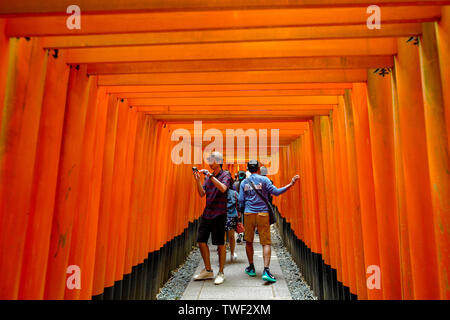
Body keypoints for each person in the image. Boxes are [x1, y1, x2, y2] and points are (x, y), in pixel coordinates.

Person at [239, 159, 299, 283]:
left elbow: (240, 200)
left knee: (249, 241)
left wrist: (240, 215)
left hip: (249, 213)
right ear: (258, 168)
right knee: (265, 242)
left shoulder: (244, 182)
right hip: (262, 213)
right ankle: (266, 270)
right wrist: (291, 184)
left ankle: (251, 267)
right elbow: (276, 192)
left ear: (248, 169)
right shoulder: (264, 180)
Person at [192, 151, 232, 285]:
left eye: (212, 158)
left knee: (220, 243)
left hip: (220, 213)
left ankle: (221, 272)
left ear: (219, 161)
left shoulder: (226, 174)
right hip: (207, 213)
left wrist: (210, 176)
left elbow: (223, 188)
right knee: (201, 241)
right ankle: (208, 270)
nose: (209, 160)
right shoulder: (207, 177)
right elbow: (202, 194)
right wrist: (198, 180)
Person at [225, 178, 239, 262]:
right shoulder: (234, 193)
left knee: (222, 238)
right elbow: (239, 203)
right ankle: (232, 253)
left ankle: (221, 254)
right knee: (231, 237)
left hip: (222, 216)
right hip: (232, 216)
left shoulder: (219, 192)